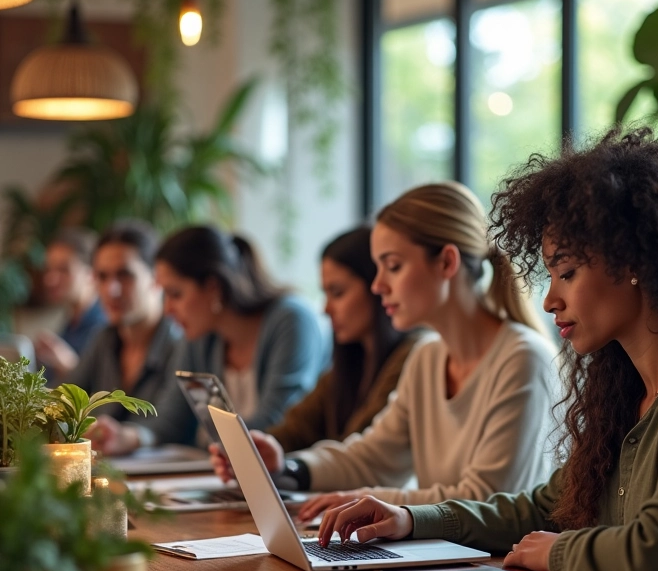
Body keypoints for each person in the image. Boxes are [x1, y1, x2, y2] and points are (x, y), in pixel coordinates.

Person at [317, 128, 658, 571]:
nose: (550, 299)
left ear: (634, 260)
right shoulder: (623, 389)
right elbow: (547, 507)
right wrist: (411, 520)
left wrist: (560, 553)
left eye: (567, 272)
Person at [228, 181, 559, 521]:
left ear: (446, 263)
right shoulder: (428, 357)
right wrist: (290, 467)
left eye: (394, 266)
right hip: (448, 560)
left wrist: (367, 498)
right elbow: (371, 457)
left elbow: (486, 500)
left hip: (501, 567)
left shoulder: (524, 359)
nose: (377, 285)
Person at [135, 225, 328, 449]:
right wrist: (131, 436)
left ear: (213, 287)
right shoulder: (199, 333)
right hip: (228, 473)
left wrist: (221, 449)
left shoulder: (291, 320)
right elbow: (172, 418)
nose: (167, 309)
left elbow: (278, 422)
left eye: (175, 294)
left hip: (290, 474)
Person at [264, 226, 419, 450]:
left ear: (376, 288)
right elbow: (295, 429)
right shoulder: (351, 360)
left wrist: (295, 467)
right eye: (325, 294)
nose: (326, 309)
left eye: (337, 293)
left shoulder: (414, 354)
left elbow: (359, 450)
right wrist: (257, 449)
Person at [69, 220, 183, 454]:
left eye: (125, 275)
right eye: (102, 277)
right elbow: (66, 399)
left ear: (156, 278)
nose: (112, 290)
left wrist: (128, 437)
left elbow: (170, 424)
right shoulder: (103, 339)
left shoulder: (181, 341)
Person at [34, 227, 107, 383]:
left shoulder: (105, 326)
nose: (50, 279)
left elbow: (104, 391)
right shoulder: (71, 320)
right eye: (49, 269)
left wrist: (68, 363)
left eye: (63, 269)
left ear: (91, 273)